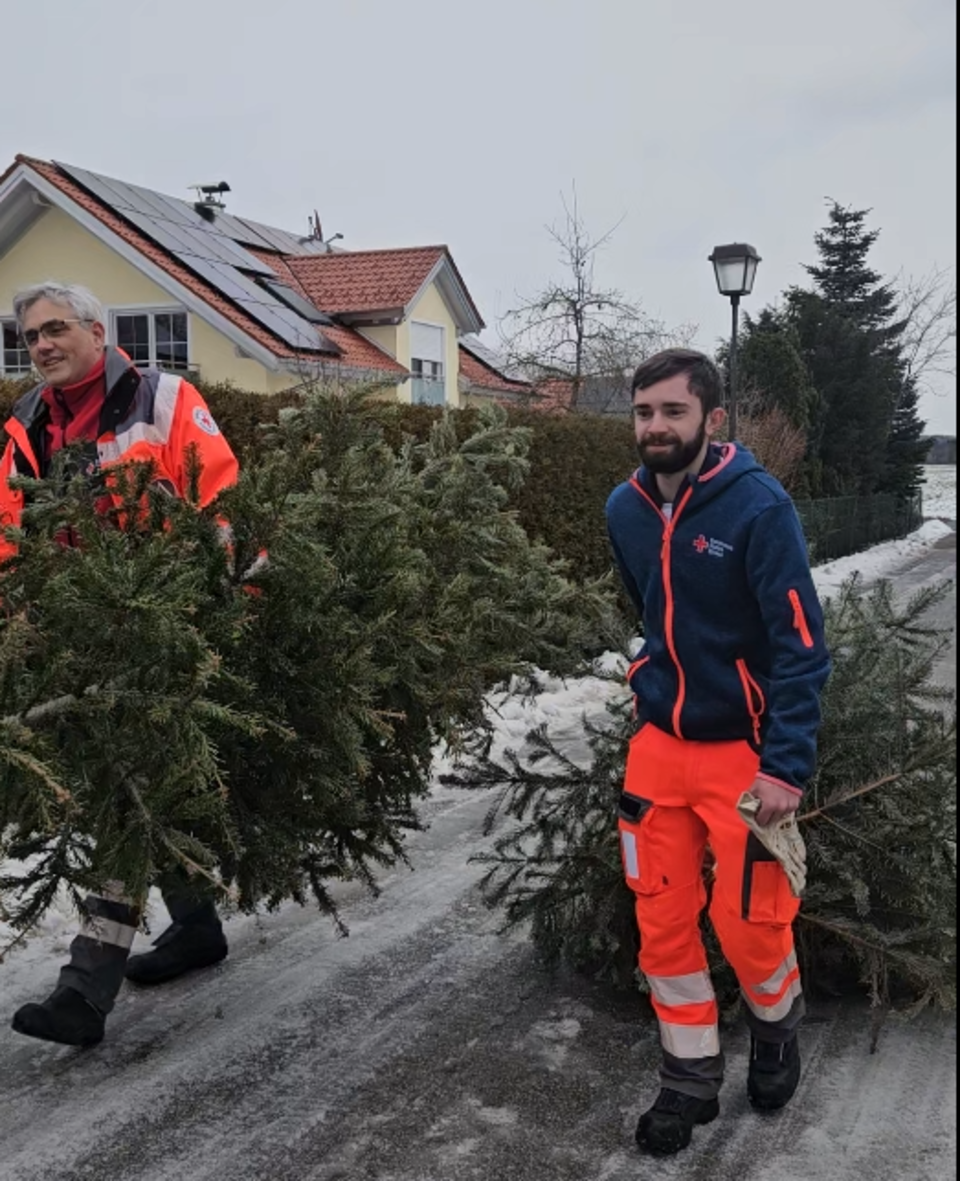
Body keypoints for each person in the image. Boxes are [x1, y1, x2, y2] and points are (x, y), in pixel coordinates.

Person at [1, 281, 240, 1048]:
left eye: (55, 328)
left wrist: (205, 610)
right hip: (74, 643)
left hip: (162, 630)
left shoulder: (162, 399)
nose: (41, 344)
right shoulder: (25, 425)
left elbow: (216, 506)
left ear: (97, 332)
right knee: (146, 788)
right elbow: (8, 535)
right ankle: (198, 924)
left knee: (125, 795)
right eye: (30, 334)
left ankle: (85, 987)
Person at [605, 348, 831, 1157]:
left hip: (743, 755)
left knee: (750, 920)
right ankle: (688, 1076)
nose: (656, 426)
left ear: (712, 418)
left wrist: (785, 765)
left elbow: (802, 645)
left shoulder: (759, 509)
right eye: (643, 412)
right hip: (658, 749)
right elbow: (651, 609)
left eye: (672, 411)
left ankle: (775, 1031)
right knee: (661, 917)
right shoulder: (624, 509)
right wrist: (650, 674)